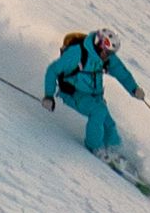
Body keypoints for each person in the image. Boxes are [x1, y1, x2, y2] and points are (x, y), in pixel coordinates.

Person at [43, 25, 144, 155]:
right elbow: (53, 70)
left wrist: (134, 89)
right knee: (98, 112)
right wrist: (48, 96)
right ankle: (95, 147)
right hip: (73, 93)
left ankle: (115, 150)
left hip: (94, 96)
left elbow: (121, 73)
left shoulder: (106, 57)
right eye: (107, 53)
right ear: (99, 44)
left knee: (109, 124)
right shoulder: (77, 53)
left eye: (111, 54)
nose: (108, 56)